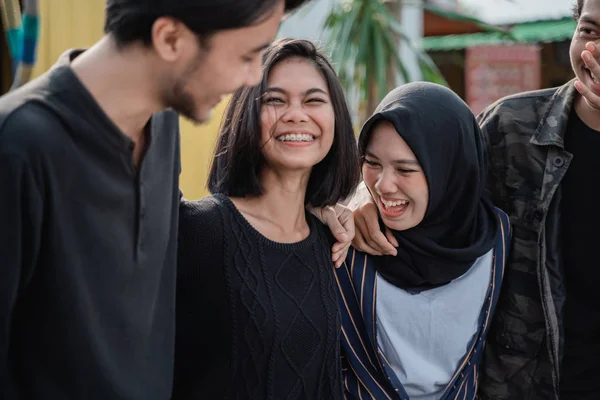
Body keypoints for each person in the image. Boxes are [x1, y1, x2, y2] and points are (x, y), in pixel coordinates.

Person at [0, 1, 362, 398]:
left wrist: (332, 207)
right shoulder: (19, 143)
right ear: (171, 39)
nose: (252, 78)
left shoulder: (162, 127)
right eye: (246, 55)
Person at [351, 1, 600, 398]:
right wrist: (362, 197)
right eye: (589, 31)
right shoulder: (511, 128)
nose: (596, 50)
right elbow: (438, 180)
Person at [173, 38, 360, 399]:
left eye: (314, 100)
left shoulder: (334, 240)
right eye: (274, 100)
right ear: (246, 115)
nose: (296, 114)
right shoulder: (199, 231)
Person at [336, 82, 511, 400]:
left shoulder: (497, 239)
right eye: (372, 163)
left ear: (448, 169)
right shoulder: (344, 240)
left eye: (405, 169)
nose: (383, 184)